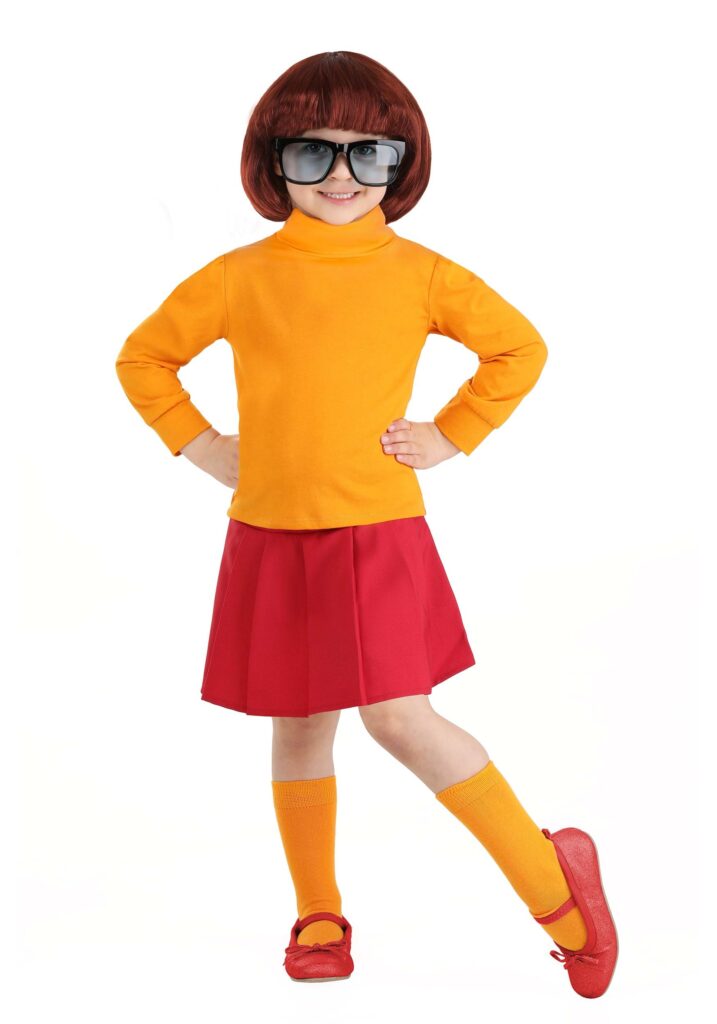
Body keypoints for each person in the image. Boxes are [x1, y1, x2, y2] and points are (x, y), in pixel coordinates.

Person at [115, 50, 618, 996]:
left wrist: (451, 433)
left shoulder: (418, 273)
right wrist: (202, 445)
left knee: (398, 717)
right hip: (271, 532)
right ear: (273, 163)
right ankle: (318, 912)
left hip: (378, 533)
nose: (341, 175)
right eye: (313, 152)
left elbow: (517, 347)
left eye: (369, 154)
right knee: (299, 724)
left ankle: (554, 885)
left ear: (401, 164)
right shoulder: (239, 276)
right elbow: (143, 359)